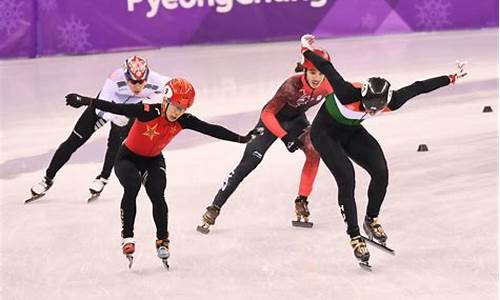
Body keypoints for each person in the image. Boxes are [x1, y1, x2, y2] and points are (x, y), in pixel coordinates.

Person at [300, 34, 467, 265]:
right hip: (324, 134)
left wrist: (450, 78)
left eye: (376, 110)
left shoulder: (393, 100)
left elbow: (418, 87)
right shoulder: (347, 92)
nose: (371, 112)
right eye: (368, 107)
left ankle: (372, 218)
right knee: (347, 178)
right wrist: (305, 48)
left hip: (351, 131)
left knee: (381, 171)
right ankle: (354, 235)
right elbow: (326, 66)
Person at [65, 78, 263, 268]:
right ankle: (127, 237)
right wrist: (84, 100)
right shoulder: (147, 111)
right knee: (132, 186)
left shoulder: (184, 120)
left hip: (153, 161)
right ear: (166, 100)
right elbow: (117, 107)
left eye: (183, 108)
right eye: (176, 106)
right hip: (127, 159)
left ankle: (163, 240)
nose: (178, 112)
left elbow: (210, 129)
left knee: (158, 195)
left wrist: (242, 139)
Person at [197, 48, 333, 233]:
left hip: (296, 121)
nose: (317, 77)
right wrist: (285, 138)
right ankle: (214, 207)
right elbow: (267, 113)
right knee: (249, 162)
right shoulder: (291, 86)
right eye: (312, 72)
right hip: (271, 122)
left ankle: (302, 200)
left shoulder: (327, 86)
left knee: (314, 150)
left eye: (321, 73)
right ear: (304, 70)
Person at [28, 55, 170, 202]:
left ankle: (103, 177)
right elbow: (98, 109)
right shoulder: (114, 79)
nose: (138, 86)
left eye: (142, 81)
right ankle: (47, 179)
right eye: (133, 81)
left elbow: (176, 87)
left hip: (128, 110)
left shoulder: (157, 80)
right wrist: (114, 117)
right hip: (105, 107)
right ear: (126, 76)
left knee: (115, 145)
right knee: (73, 141)